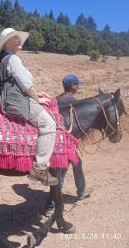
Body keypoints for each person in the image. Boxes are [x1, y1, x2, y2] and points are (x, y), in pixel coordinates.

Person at [0, 27, 58, 186]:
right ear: (7, 43)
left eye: (18, 38)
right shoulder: (13, 59)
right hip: (16, 101)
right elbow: (25, 84)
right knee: (49, 124)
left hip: (5, 99)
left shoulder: (0, 59)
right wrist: (37, 99)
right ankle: (40, 167)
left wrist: (37, 94)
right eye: (15, 38)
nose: (19, 40)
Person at [45, 75, 92, 212]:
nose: (78, 86)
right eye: (77, 84)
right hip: (65, 143)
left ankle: (81, 191)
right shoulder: (72, 101)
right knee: (61, 173)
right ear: (73, 86)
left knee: (77, 163)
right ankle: (50, 205)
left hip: (58, 140)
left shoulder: (58, 98)